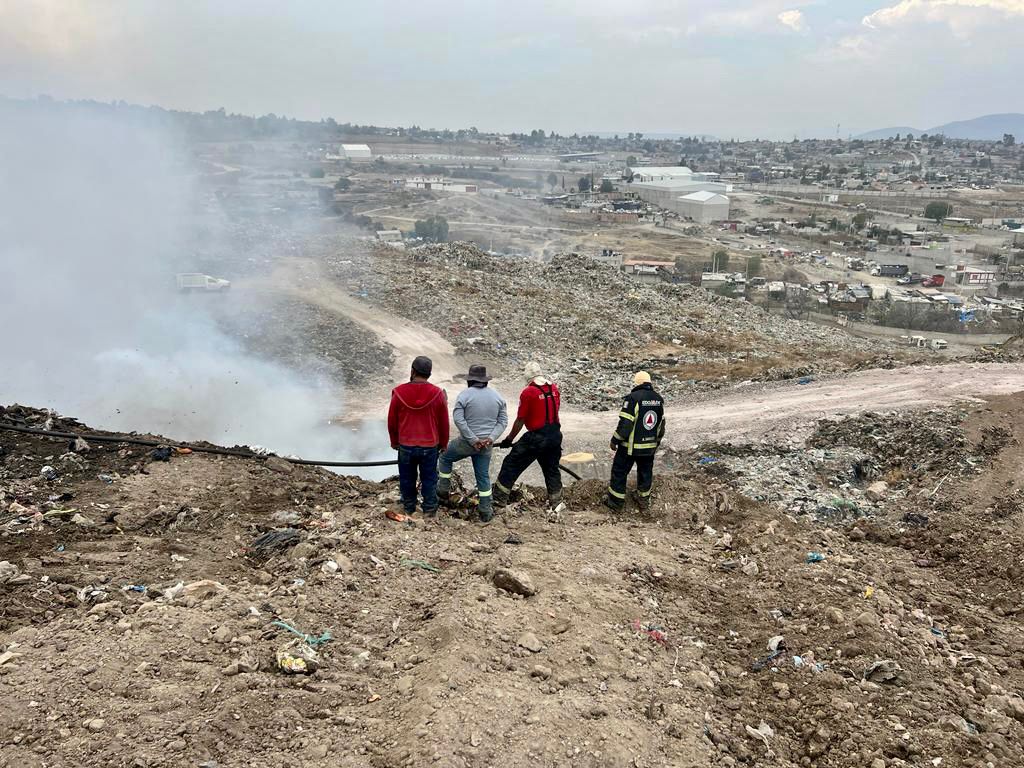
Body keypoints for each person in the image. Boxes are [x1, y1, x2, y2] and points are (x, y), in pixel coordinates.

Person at [437, 364, 508, 522]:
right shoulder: (497, 397)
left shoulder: (464, 395)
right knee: (483, 476)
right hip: (486, 445)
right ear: (485, 381)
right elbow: (503, 421)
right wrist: (491, 438)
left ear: (470, 381)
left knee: (445, 457)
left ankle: (442, 491)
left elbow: (458, 420)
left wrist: (472, 439)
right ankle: (485, 511)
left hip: (467, 443)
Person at [493, 361, 563, 507]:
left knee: (511, 464)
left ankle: (498, 500)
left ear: (527, 377)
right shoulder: (554, 388)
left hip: (536, 437)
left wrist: (509, 439)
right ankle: (556, 503)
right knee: (552, 470)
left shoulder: (528, 392)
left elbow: (520, 420)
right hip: (555, 435)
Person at [387, 355, 449, 517]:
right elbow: (444, 422)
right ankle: (429, 510)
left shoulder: (399, 392)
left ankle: (409, 507)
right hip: (429, 446)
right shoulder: (437, 393)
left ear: (413, 371)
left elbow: (392, 421)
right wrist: (443, 443)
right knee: (429, 479)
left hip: (406, 445)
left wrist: (394, 441)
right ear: (429, 373)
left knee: (407, 478)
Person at [604, 371, 665, 512]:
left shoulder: (633, 398)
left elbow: (625, 424)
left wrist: (615, 440)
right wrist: (656, 442)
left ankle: (616, 503)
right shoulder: (658, 399)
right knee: (645, 472)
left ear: (637, 383)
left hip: (629, 447)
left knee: (619, 472)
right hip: (649, 446)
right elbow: (661, 425)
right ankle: (643, 500)